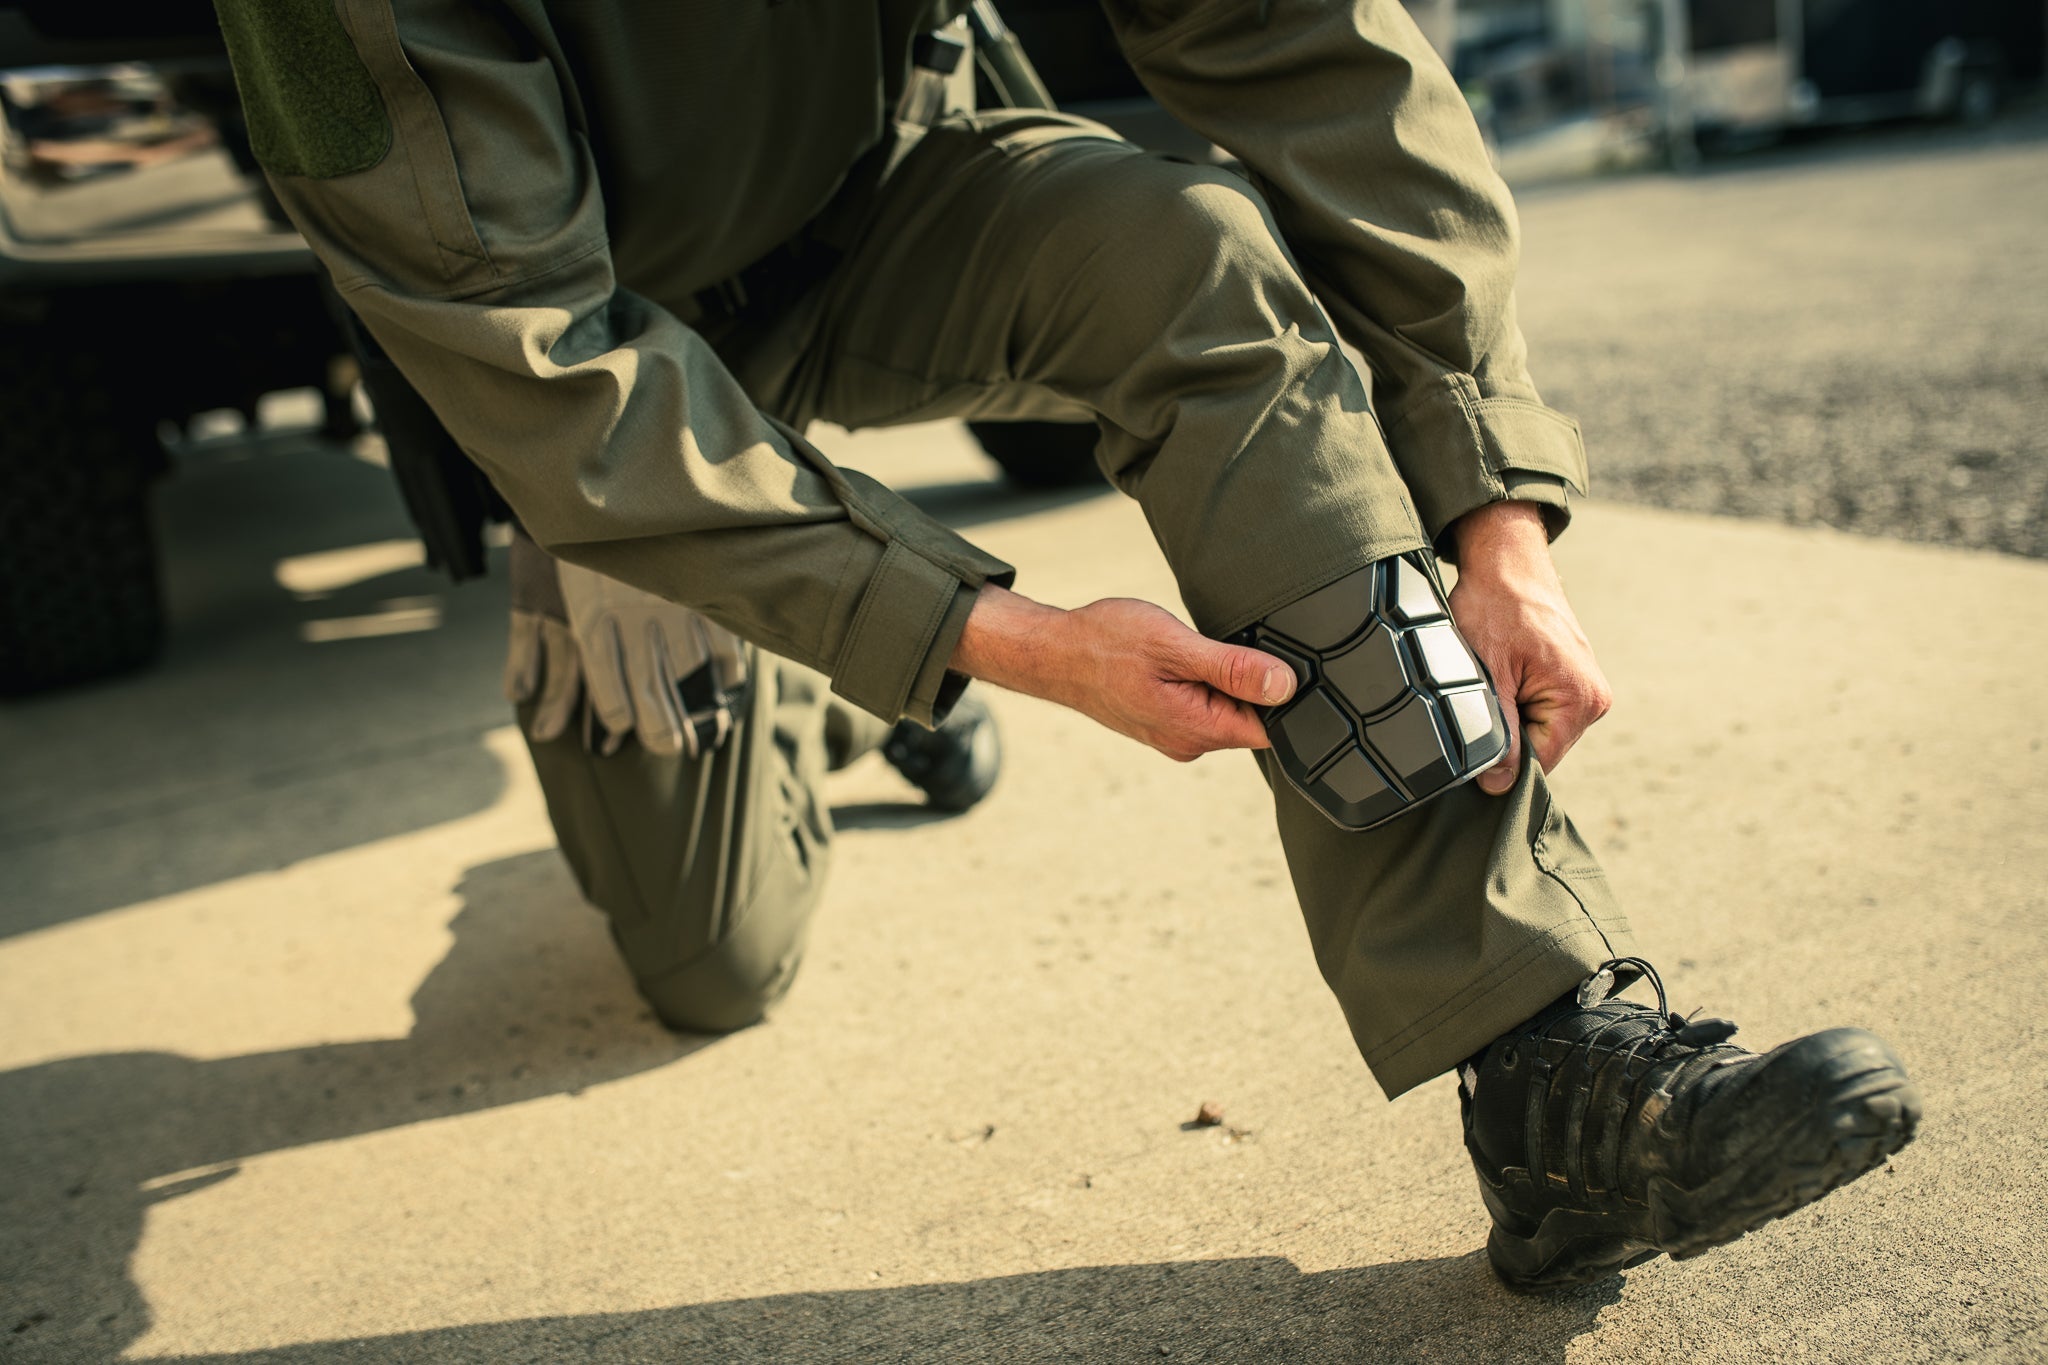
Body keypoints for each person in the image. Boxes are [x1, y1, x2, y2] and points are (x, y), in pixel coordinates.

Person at [210, 0, 1919, 1290]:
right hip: (601, 373)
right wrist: (979, 632)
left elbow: (1299, 36)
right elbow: (539, 350)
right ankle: (835, 691)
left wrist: (1493, 502)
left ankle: (1537, 1055)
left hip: (877, 207)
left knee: (1185, 254)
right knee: (710, 959)